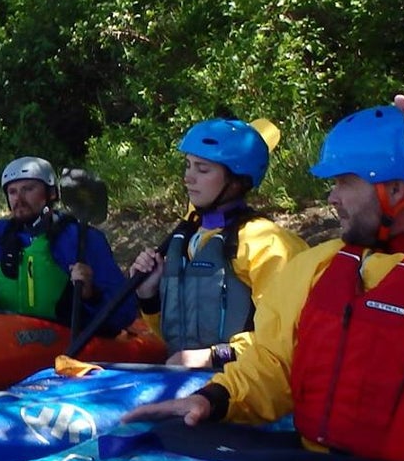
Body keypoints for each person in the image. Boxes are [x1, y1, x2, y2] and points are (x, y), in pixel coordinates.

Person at [123, 87, 404, 461]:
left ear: (394, 190)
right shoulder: (318, 266)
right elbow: (274, 363)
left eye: (344, 182)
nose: (331, 198)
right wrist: (213, 400)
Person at [125, 117, 307, 368]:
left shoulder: (267, 244)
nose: (188, 178)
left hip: (245, 386)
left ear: (236, 181)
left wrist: (213, 356)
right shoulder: (190, 238)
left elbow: (286, 337)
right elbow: (173, 339)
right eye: (188, 166)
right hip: (188, 383)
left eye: (202, 169)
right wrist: (149, 295)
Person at [0, 156, 140, 334]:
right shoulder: (1, 235)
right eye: (13, 192)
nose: (19, 198)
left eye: (28, 189)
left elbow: (125, 312)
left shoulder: (80, 238)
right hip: (8, 340)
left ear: (51, 193)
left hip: (64, 341)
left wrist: (90, 294)